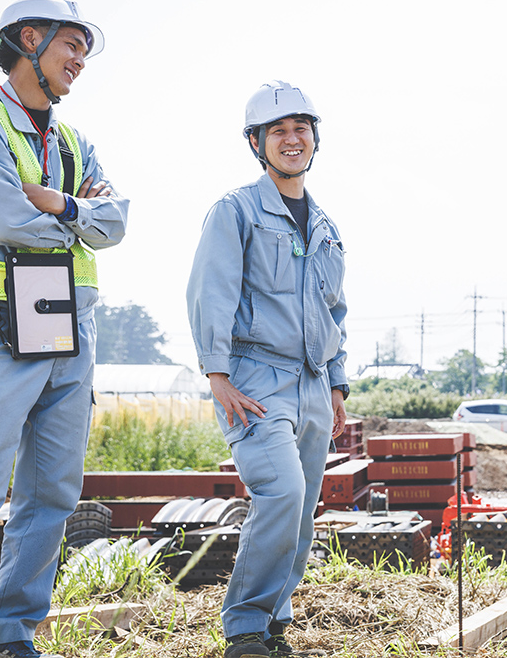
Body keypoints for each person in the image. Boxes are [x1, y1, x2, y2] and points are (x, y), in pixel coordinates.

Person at [0, 0, 129, 658]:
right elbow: (3, 218)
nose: (80, 62)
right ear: (29, 39)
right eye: (72, 46)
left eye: (85, 53)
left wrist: (58, 202)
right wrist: (78, 216)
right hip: (3, 334)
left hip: (76, 332)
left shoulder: (73, 142)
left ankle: (11, 640)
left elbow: (118, 221)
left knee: (52, 496)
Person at [187, 80, 349, 658]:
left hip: (311, 382)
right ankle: (245, 626)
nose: (291, 139)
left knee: (302, 510)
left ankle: (274, 620)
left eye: (300, 128)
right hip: (254, 379)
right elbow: (211, 293)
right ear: (256, 143)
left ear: (314, 139)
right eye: (277, 130)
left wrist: (336, 384)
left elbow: (334, 310)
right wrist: (217, 374)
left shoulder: (326, 226)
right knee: (280, 493)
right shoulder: (236, 212)